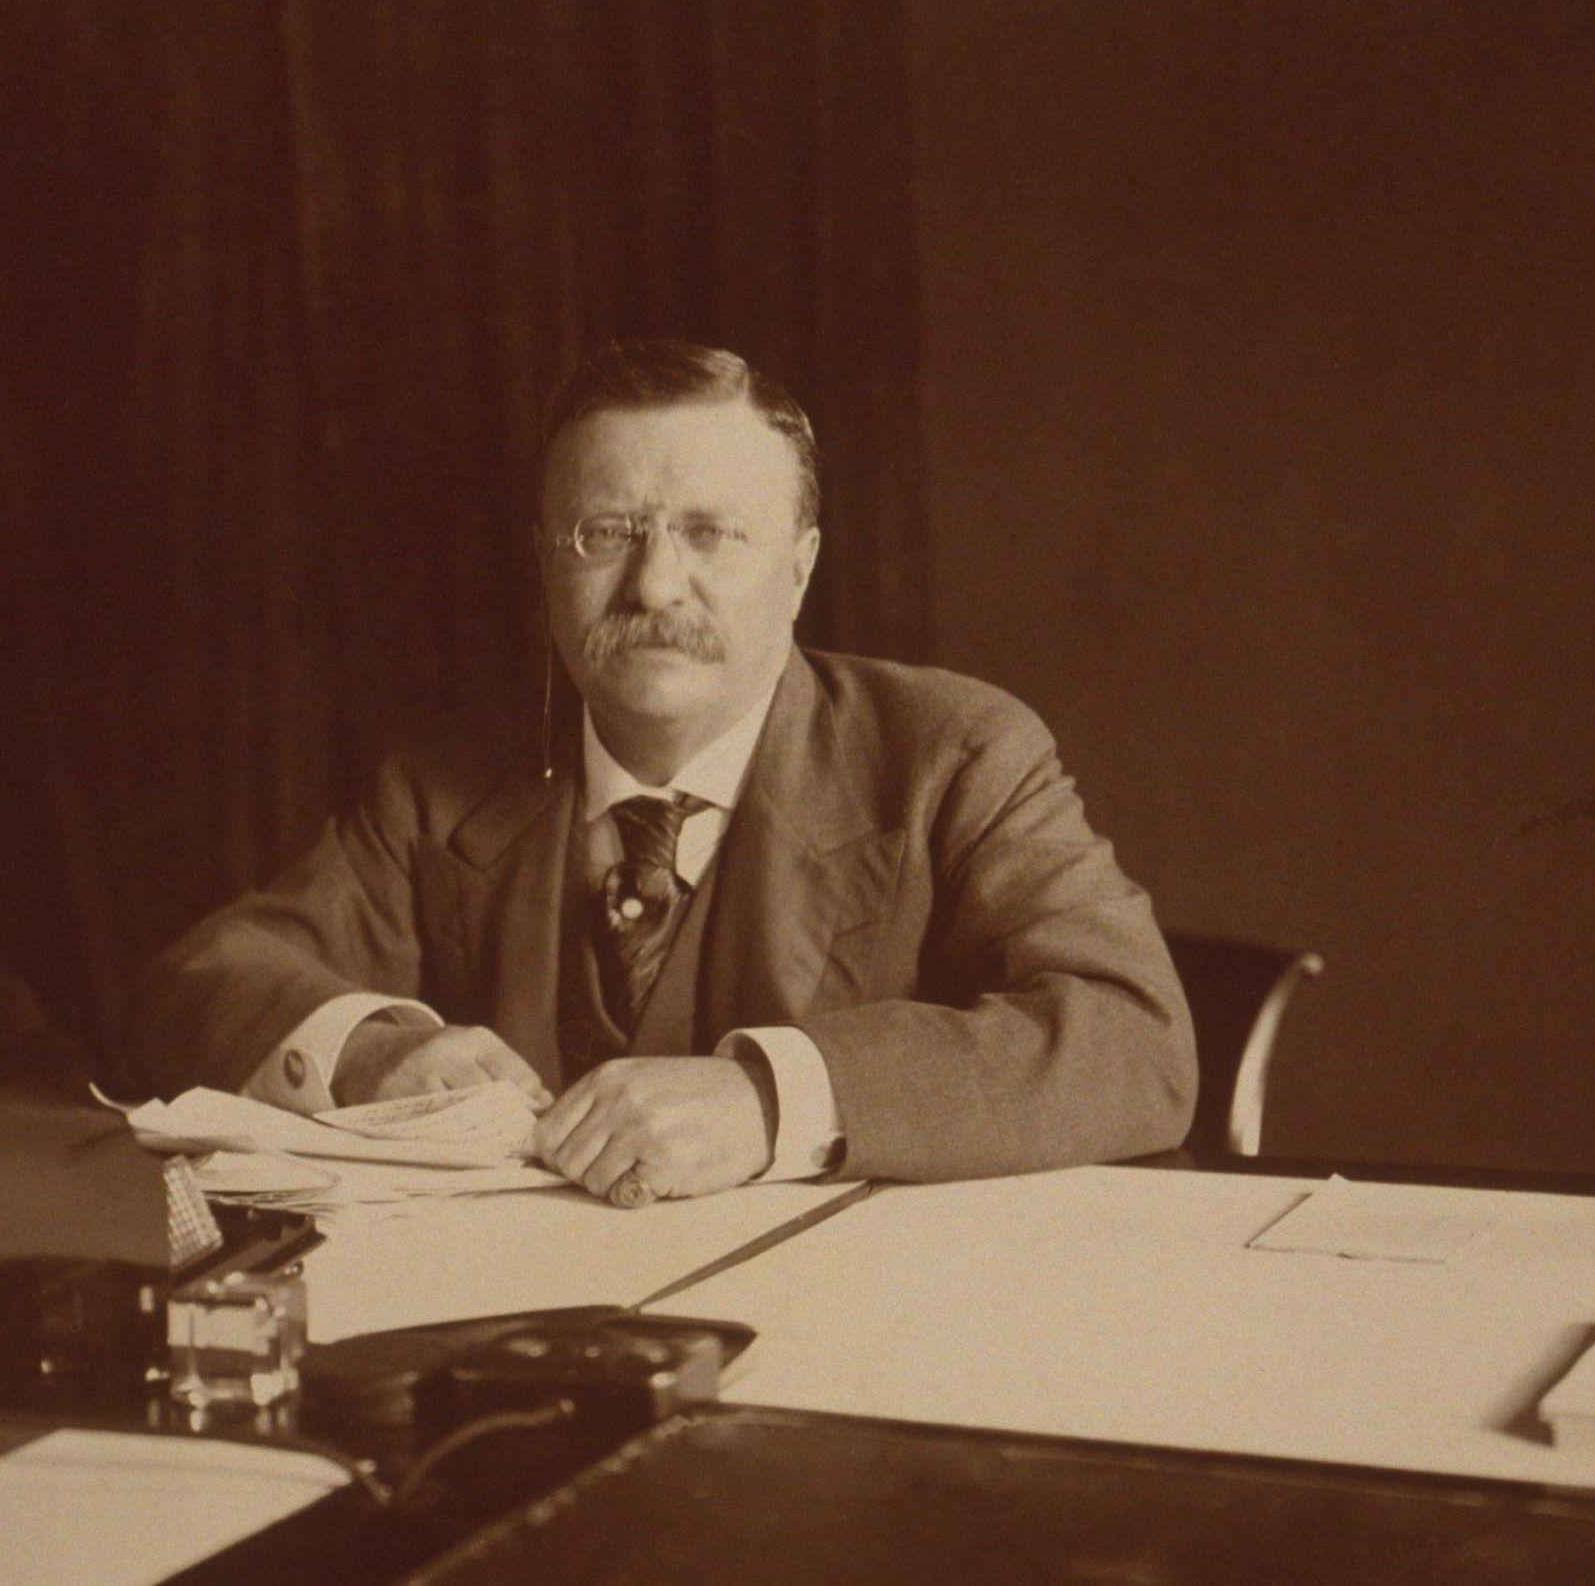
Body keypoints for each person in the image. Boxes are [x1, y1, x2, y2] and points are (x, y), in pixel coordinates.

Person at [124, 340, 1194, 1206]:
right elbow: (204, 982)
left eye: (712, 533)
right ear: (547, 560)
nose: (654, 582)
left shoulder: (953, 754)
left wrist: (771, 1100)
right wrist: (369, 1055)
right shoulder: (441, 783)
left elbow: (1132, 1039)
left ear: (801, 564)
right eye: (607, 534)